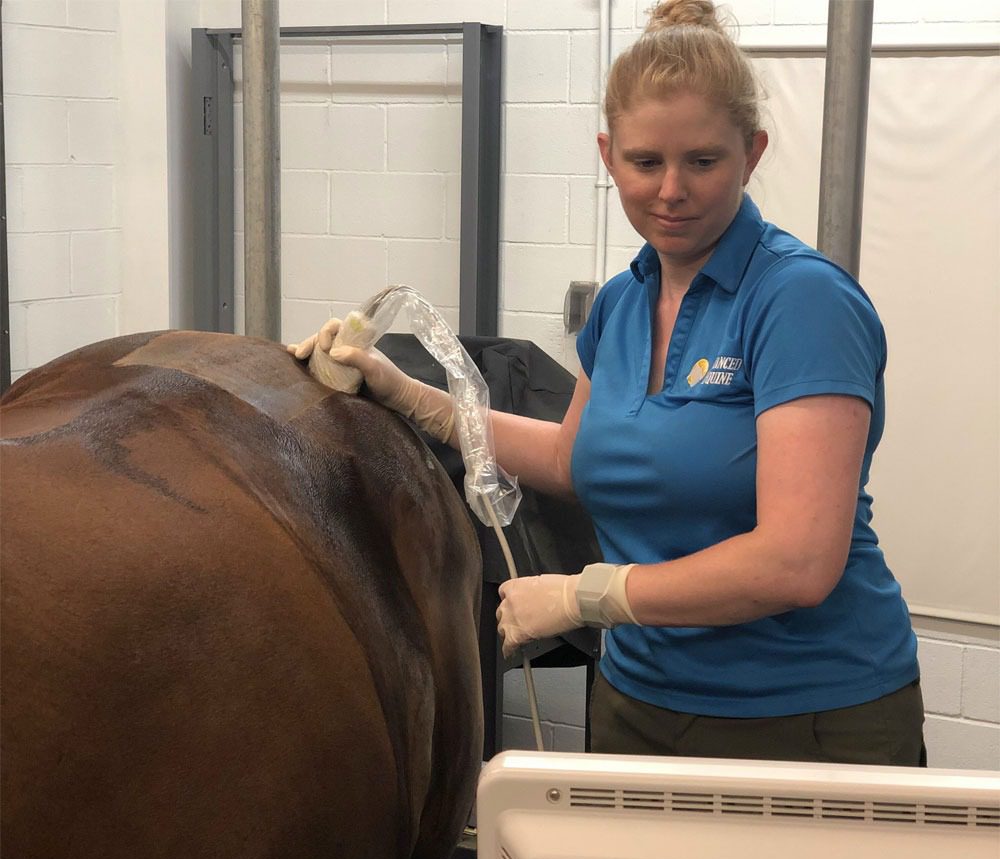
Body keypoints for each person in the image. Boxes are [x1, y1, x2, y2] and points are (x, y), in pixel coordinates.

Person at [289, 0, 924, 766]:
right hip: (637, 699)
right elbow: (569, 459)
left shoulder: (799, 301)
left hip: (805, 715)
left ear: (751, 153)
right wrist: (409, 395)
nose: (671, 191)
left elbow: (796, 562)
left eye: (703, 161)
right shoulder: (624, 302)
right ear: (607, 154)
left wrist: (583, 596)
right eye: (645, 162)